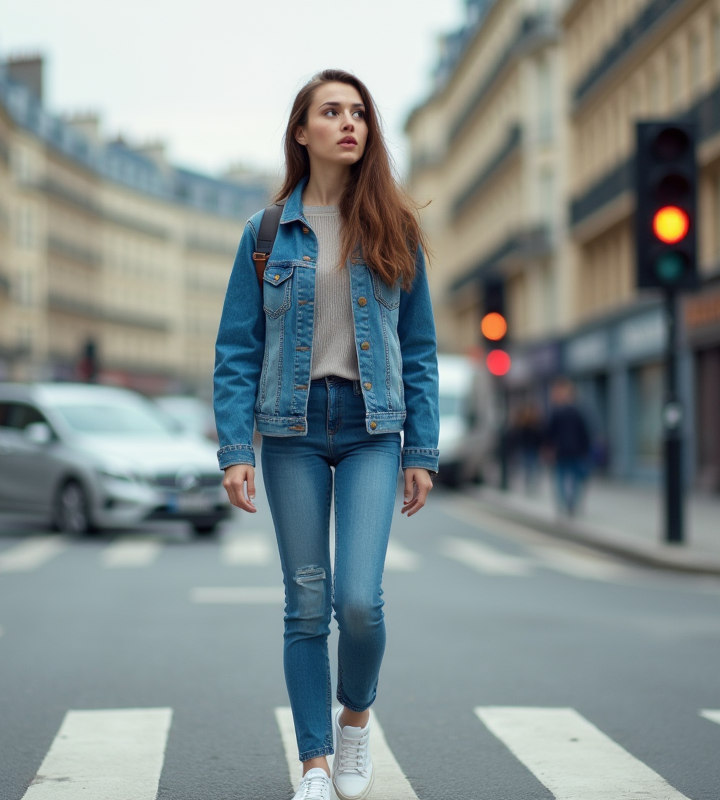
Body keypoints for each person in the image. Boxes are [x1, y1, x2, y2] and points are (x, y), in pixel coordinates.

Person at [213, 69, 439, 800]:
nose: (350, 123)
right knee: (305, 599)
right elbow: (237, 349)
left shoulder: (395, 229)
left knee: (359, 601)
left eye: (360, 113)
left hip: (374, 428)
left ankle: (355, 719)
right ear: (302, 131)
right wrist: (235, 451)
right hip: (293, 429)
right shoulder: (268, 232)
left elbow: (422, 347)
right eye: (331, 111)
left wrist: (421, 451)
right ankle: (314, 762)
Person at [545, 377, 591, 515]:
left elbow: (549, 433)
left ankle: (565, 502)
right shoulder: (578, 411)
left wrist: (548, 448)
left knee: (561, 478)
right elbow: (585, 432)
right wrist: (585, 449)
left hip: (562, 451)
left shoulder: (557, 412)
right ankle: (571, 503)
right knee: (575, 478)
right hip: (576, 451)